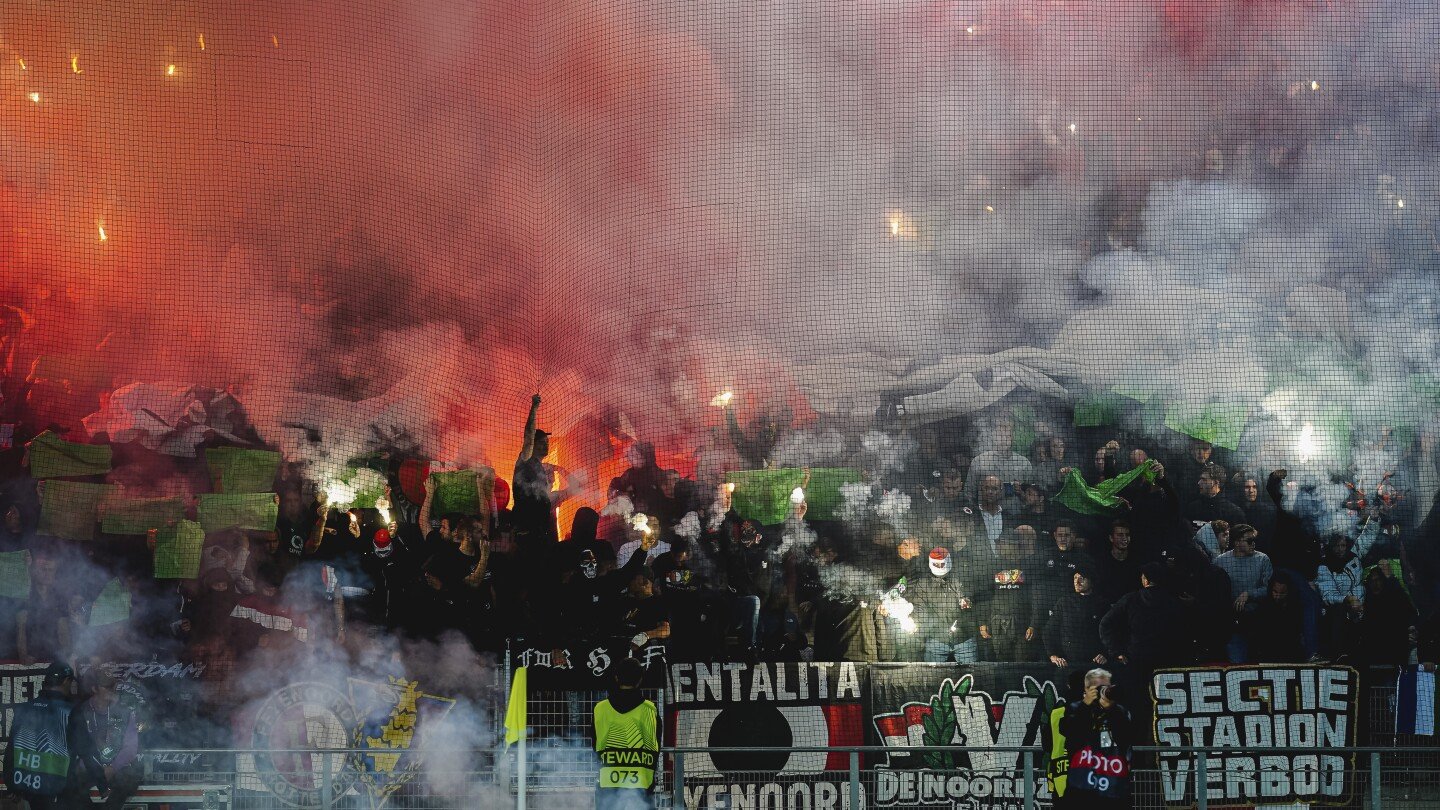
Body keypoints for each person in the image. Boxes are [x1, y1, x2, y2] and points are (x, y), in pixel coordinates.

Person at [4, 662, 109, 809]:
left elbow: (10, 753)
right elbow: (87, 751)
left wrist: (11, 785)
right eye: (71, 682)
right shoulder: (70, 711)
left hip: (30, 790)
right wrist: (102, 784)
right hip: (60, 791)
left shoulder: (23, 708)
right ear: (66, 681)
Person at [1059, 667, 1133, 808]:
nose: (1104, 691)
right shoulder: (1075, 708)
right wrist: (1086, 705)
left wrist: (1111, 709)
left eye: (1107, 687)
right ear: (1087, 689)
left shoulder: (1120, 712)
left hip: (1114, 789)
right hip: (1082, 789)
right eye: (1099, 688)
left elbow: (1126, 736)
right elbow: (1070, 732)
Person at [593, 658, 658, 809]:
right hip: (642, 786)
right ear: (640, 680)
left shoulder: (600, 709)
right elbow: (655, 746)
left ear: (616, 678)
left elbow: (594, 743)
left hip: (607, 786)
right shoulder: (649, 709)